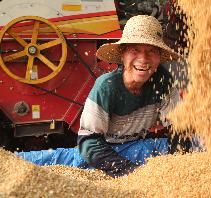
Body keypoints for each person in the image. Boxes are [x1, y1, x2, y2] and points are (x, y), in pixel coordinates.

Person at [17, 15, 193, 177]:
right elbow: (89, 143)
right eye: (134, 50)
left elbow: (179, 129)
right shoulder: (107, 86)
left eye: (151, 51)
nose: (143, 58)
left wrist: (176, 165)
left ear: (158, 57)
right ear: (122, 55)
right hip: (103, 151)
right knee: (57, 161)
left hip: (137, 147)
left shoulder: (163, 82)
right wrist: (130, 173)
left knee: (196, 144)